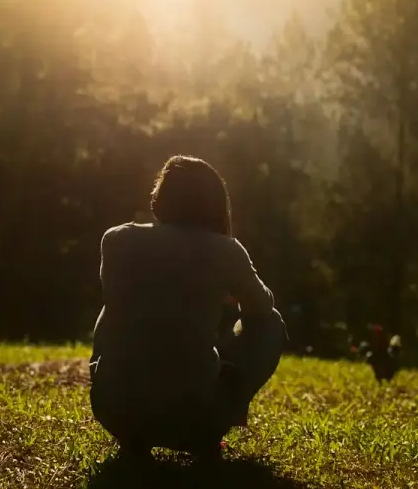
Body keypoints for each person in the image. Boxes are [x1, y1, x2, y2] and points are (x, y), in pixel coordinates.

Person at [89, 155, 286, 461]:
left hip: (115, 408)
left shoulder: (116, 239)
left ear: (159, 199)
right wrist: (227, 291)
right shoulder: (225, 250)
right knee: (271, 324)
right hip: (191, 413)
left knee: (112, 308)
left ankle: (134, 434)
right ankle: (207, 427)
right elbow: (261, 308)